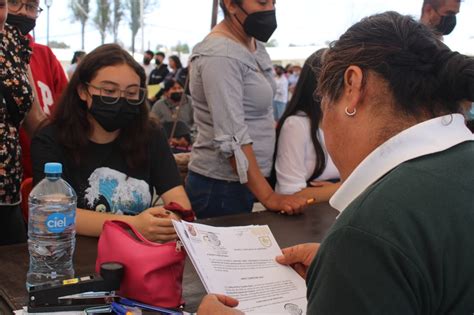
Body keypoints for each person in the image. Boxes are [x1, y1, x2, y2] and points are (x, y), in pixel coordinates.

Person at [198, 11, 474, 313]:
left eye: (323, 100)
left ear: (352, 87)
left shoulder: (369, 230)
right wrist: (349, 274)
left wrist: (354, 260)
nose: (325, 125)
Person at [31, 44, 193, 242]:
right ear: (83, 91)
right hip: (72, 256)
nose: (120, 100)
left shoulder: (150, 134)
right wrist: (133, 225)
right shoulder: (50, 139)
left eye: (131, 93)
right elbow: (55, 215)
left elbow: (179, 201)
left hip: (139, 257)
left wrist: (172, 219)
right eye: (109, 90)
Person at [185, 0, 306, 219]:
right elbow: (232, 137)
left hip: (248, 182)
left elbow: (258, 113)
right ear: (231, 5)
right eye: (261, 2)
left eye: (273, 2)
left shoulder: (253, 44)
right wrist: (269, 197)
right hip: (221, 187)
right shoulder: (221, 55)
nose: (270, 9)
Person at [0, 0, 47, 245]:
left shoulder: (15, 46)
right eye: (14, 3)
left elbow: (35, 119)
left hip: (8, 193)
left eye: (31, 6)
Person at [6, 0, 69, 180]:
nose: (24, 13)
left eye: (31, 6)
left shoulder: (45, 56)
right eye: (14, 3)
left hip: (41, 177)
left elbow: (64, 116)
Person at [274, 49, 340, 203]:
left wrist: (334, 189)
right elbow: (290, 194)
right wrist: (344, 188)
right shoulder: (296, 125)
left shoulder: (350, 122)